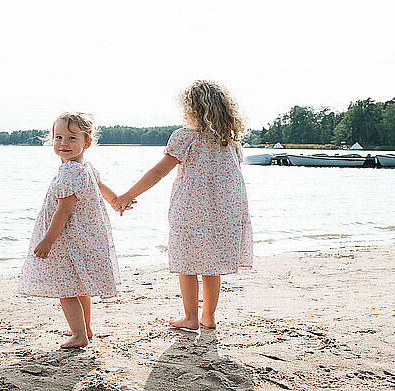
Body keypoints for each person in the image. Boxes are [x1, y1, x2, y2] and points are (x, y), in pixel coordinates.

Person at [113, 80, 253, 330]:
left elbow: (159, 172)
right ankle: (208, 316)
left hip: (191, 210)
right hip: (225, 211)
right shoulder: (231, 142)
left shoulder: (185, 137)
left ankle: (190, 317)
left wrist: (128, 195)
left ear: (192, 109)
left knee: (187, 263)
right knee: (212, 265)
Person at [18, 112, 129, 348]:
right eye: (58, 137)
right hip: (82, 238)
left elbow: (64, 212)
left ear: (86, 142)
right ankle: (86, 329)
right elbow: (101, 188)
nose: (63, 144)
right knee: (79, 286)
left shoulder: (70, 172)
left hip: (66, 239)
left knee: (66, 289)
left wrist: (48, 240)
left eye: (71, 138)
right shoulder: (85, 167)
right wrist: (116, 201)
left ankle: (78, 335)